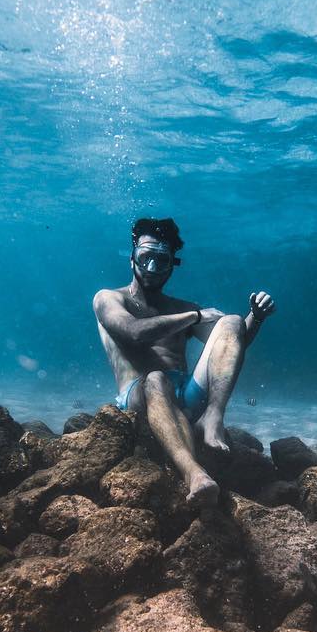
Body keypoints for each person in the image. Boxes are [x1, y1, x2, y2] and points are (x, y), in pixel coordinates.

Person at [93, 217, 276, 508]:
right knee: (156, 378)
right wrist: (194, 317)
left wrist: (256, 318)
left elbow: (229, 346)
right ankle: (194, 474)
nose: (151, 269)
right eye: (145, 258)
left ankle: (212, 418)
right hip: (140, 398)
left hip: (187, 398)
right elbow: (133, 332)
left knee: (230, 321)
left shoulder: (183, 307)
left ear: (171, 265)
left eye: (160, 261)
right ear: (132, 259)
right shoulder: (108, 299)